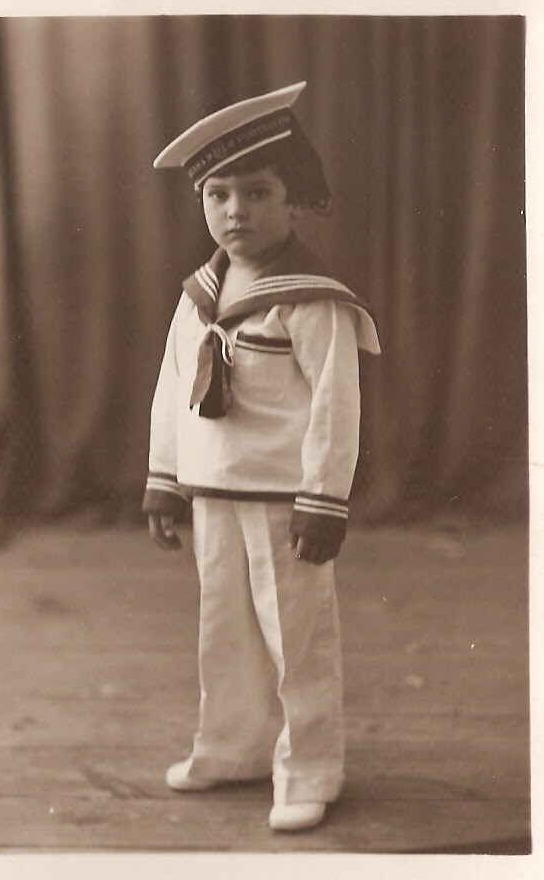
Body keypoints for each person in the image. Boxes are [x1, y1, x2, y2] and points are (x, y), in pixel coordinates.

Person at [143, 81, 380, 832]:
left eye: (257, 191)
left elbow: (336, 404)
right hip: (213, 491)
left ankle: (310, 768)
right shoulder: (198, 296)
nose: (235, 210)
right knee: (224, 628)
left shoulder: (311, 300)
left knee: (295, 637)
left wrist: (324, 498)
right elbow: (173, 386)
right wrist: (164, 478)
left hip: (285, 501)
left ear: (295, 199)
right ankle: (233, 747)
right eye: (218, 194)